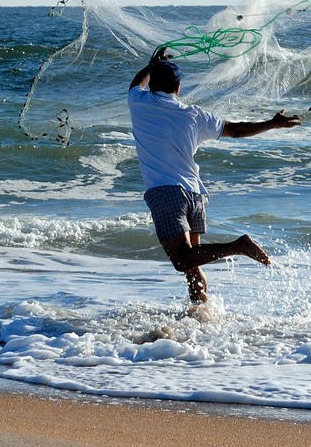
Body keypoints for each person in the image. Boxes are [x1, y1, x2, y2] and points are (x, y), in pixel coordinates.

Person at [128, 52, 301, 303]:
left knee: (181, 260)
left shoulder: (138, 102)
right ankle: (200, 314)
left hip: (166, 192)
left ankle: (239, 246)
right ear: (178, 87)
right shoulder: (195, 115)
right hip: (195, 194)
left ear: (152, 83)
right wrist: (272, 123)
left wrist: (152, 64)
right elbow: (238, 130)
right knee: (192, 265)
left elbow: (135, 83)